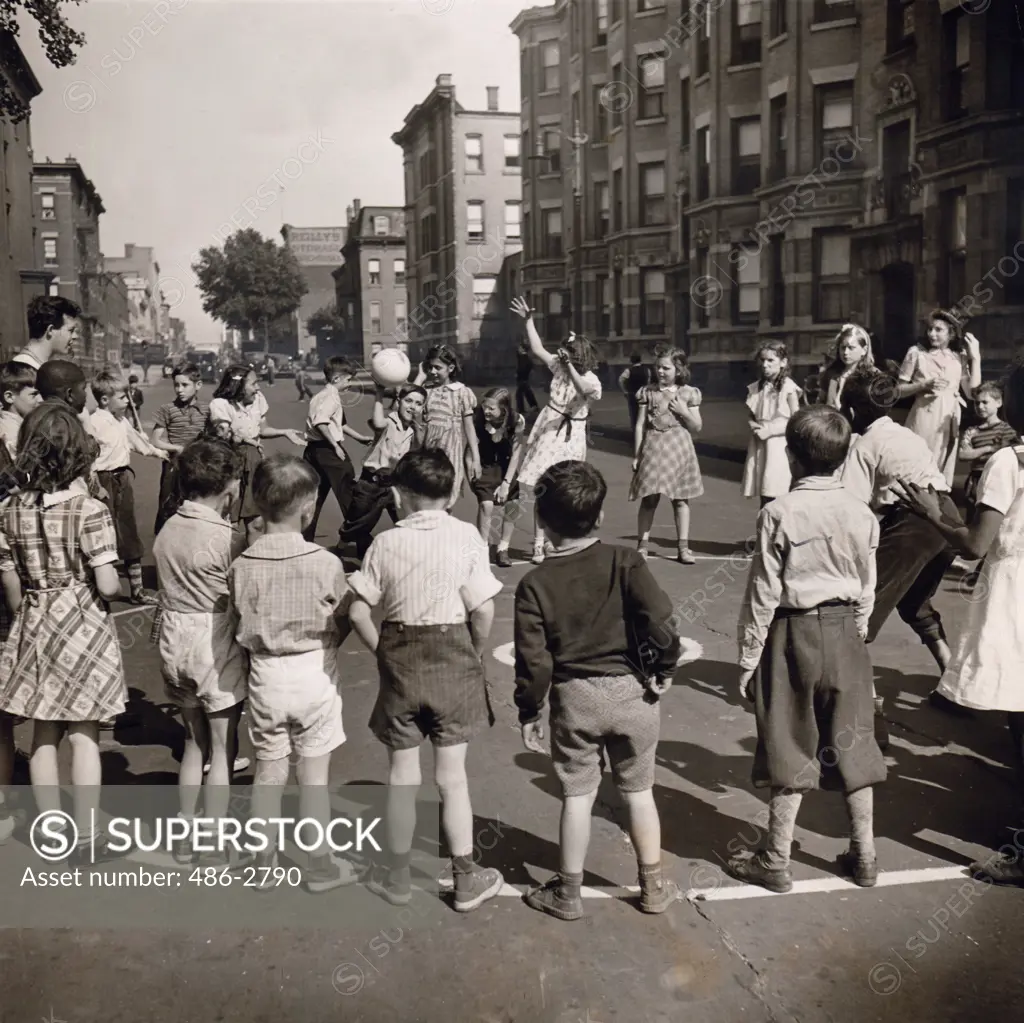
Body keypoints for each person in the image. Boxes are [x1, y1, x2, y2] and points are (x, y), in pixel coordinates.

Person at [513, 460, 681, 919]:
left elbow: (534, 660)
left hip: (575, 698)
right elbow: (659, 621)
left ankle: (568, 893)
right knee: (639, 790)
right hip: (632, 693)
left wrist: (530, 711)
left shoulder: (534, 584)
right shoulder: (625, 561)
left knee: (577, 795)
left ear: (543, 521)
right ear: (601, 516)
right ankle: (652, 886)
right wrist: (665, 664)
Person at [730, 406, 885, 893]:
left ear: (792, 458)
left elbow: (763, 593)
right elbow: (867, 585)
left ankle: (776, 858)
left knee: (789, 739)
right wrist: (856, 633)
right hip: (845, 632)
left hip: (793, 630)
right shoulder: (862, 513)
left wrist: (748, 658)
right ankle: (864, 855)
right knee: (854, 741)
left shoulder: (778, 513)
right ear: (843, 460)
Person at [346, 448, 505, 913]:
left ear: (397, 495)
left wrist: (383, 653)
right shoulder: (467, 535)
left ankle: (396, 878)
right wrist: (474, 651)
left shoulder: (386, 543)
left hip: (402, 662)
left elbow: (358, 610)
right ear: (454, 491)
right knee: (452, 779)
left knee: (402, 776)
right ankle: (465, 879)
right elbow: (484, 607)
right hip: (453, 658)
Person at [893, 359, 1024, 885]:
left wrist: (929, 512)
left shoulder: (1007, 463)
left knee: (1019, 718)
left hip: (1013, 594)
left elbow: (975, 543)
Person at [0, 403, 126, 865]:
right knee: (85, 732)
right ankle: (88, 830)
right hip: (82, 626)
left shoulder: (8, 509)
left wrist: (35, 605)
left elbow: (11, 587)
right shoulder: (89, 510)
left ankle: (50, 831)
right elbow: (108, 584)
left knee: (43, 732)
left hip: (34, 620)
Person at [228, 454, 358, 893]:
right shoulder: (325, 563)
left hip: (266, 674)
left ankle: (263, 862)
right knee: (314, 777)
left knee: (269, 770)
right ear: (309, 508)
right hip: (313, 671)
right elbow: (342, 618)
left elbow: (236, 619)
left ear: (258, 504)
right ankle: (319, 865)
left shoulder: (242, 564)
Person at [839, 369, 958, 731]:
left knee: (862, 612)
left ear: (854, 411)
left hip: (915, 524)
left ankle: (864, 705)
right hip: (947, 515)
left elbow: (853, 508)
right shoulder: (905, 434)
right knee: (914, 602)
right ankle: (953, 680)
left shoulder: (863, 446)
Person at [152, 439, 249, 869]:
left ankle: (186, 833)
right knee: (222, 751)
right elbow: (240, 596)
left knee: (194, 743)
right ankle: (213, 839)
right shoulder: (226, 537)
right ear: (229, 488)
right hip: (213, 640)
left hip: (173, 637)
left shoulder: (168, 528)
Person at [510, 297, 603, 564]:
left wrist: (569, 365)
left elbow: (584, 390)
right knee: (542, 486)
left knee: (565, 488)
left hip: (570, 435)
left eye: (568, 353)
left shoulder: (589, 379)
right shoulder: (559, 368)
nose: (561, 357)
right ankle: (539, 544)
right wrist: (528, 321)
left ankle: (559, 539)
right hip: (549, 430)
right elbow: (538, 349)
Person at [89, 369, 168, 605]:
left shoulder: (122, 421)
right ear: (105, 400)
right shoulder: (94, 422)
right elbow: (88, 458)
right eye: (123, 397)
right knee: (105, 535)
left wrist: (158, 452)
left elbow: (139, 443)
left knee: (129, 532)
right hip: (103, 482)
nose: (128, 401)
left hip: (122, 479)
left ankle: (137, 591)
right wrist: (95, 487)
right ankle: (101, 591)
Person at [207, 364, 305, 546]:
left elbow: (263, 429)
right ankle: (225, 565)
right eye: (253, 383)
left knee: (256, 523)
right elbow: (224, 434)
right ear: (238, 386)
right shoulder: (220, 404)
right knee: (227, 521)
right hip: (229, 462)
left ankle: (252, 561)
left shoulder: (258, 399)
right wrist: (244, 440)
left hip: (253, 462)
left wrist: (284, 432)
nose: (258, 388)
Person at [629, 348, 703, 564]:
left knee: (680, 500)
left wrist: (683, 410)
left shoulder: (689, 393)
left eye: (666, 368)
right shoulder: (648, 392)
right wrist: (636, 454)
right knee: (649, 498)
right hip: (653, 445)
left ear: (678, 370)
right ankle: (642, 545)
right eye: (658, 367)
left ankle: (683, 547)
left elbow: (697, 426)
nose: (660, 371)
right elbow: (640, 424)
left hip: (679, 448)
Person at [897, 310, 982, 485]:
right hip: (924, 416)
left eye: (938, 329)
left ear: (951, 333)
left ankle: (937, 505)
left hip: (949, 418)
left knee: (942, 469)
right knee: (918, 464)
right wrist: (923, 385)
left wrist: (976, 358)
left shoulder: (959, 357)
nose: (932, 334)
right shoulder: (916, 353)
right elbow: (898, 390)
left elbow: (972, 392)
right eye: (930, 329)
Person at [342, 384, 426, 559]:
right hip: (371, 484)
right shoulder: (389, 422)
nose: (412, 406)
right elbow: (378, 423)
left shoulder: (413, 430)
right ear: (398, 402)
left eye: (418, 404)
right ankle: (342, 545)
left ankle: (409, 558)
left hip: (395, 485)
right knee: (357, 523)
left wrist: (419, 430)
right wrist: (379, 393)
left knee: (408, 522)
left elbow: (417, 452)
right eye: (408, 401)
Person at [301, 356, 372, 547]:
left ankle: (305, 542)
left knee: (314, 498)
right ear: (336, 379)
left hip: (313, 451)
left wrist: (359, 437)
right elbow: (321, 423)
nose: (350, 383)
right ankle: (364, 543)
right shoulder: (330, 398)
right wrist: (335, 446)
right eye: (348, 380)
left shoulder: (322, 396)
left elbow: (339, 424)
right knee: (349, 495)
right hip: (327, 451)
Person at [958, 381, 1020, 587]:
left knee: (997, 524)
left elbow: (1013, 452)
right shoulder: (972, 431)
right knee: (977, 523)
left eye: (985, 402)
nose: (980, 407)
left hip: (1001, 482)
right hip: (976, 480)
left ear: (999, 402)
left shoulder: (1008, 429)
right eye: (977, 403)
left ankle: (982, 567)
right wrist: (987, 450)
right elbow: (963, 453)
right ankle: (979, 560)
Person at [413, 345, 480, 508]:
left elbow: (470, 428)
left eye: (438, 367)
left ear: (450, 368)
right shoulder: (426, 391)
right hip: (427, 451)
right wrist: (420, 377)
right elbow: (409, 397)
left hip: (450, 452)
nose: (432, 371)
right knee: (426, 496)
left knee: (446, 497)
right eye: (430, 367)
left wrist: (476, 459)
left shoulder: (462, 392)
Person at [742, 341, 803, 510]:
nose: (765, 365)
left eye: (770, 361)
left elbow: (796, 419)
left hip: (779, 444)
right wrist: (754, 426)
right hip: (760, 443)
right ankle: (765, 532)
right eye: (762, 360)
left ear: (783, 362)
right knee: (764, 488)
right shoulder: (757, 388)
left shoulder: (788, 388)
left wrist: (770, 431)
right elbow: (751, 415)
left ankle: (778, 532)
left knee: (776, 488)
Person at [151, 362, 210, 535]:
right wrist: (177, 448)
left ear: (198, 385)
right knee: (169, 503)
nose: (179, 389)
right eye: (176, 385)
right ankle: (165, 541)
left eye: (185, 385)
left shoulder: (207, 410)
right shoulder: (167, 409)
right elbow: (155, 440)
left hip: (200, 464)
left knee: (199, 504)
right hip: (175, 465)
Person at [471, 387, 526, 565]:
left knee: (513, 504)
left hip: (505, 465)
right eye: (485, 406)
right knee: (486, 505)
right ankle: (482, 547)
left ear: (504, 408)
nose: (486, 411)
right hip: (485, 464)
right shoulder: (477, 417)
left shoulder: (516, 420)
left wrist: (506, 483)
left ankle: (503, 547)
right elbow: (470, 448)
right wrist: (472, 469)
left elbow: (516, 454)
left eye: (491, 408)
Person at [11, 295, 82, 372]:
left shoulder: (35, 367)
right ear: (50, 330)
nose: (75, 336)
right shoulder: (24, 374)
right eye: (71, 330)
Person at [819, 324, 875, 410]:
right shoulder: (831, 374)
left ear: (864, 350)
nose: (845, 352)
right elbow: (821, 402)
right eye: (843, 348)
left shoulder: (871, 376)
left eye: (851, 348)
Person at [0, 362, 42, 461]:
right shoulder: (13, 434)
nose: (40, 400)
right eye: (33, 394)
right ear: (9, 397)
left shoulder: (22, 425)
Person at [619, 354, 651, 434]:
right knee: (645, 413)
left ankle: (635, 433)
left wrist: (625, 391)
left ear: (631, 361)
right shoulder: (646, 369)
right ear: (640, 360)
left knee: (634, 414)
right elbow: (648, 380)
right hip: (645, 393)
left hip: (632, 394)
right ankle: (646, 431)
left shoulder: (628, 370)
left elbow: (620, 380)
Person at [515, 339, 538, 416]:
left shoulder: (523, 358)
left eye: (520, 348)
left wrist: (518, 374)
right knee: (527, 393)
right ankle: (534, 406)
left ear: (523, 349)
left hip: (522, 378)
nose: (518, 349)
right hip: (524, 379)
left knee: (519, 394)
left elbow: (522, 369)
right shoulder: (525, 357)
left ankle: (521, 409)